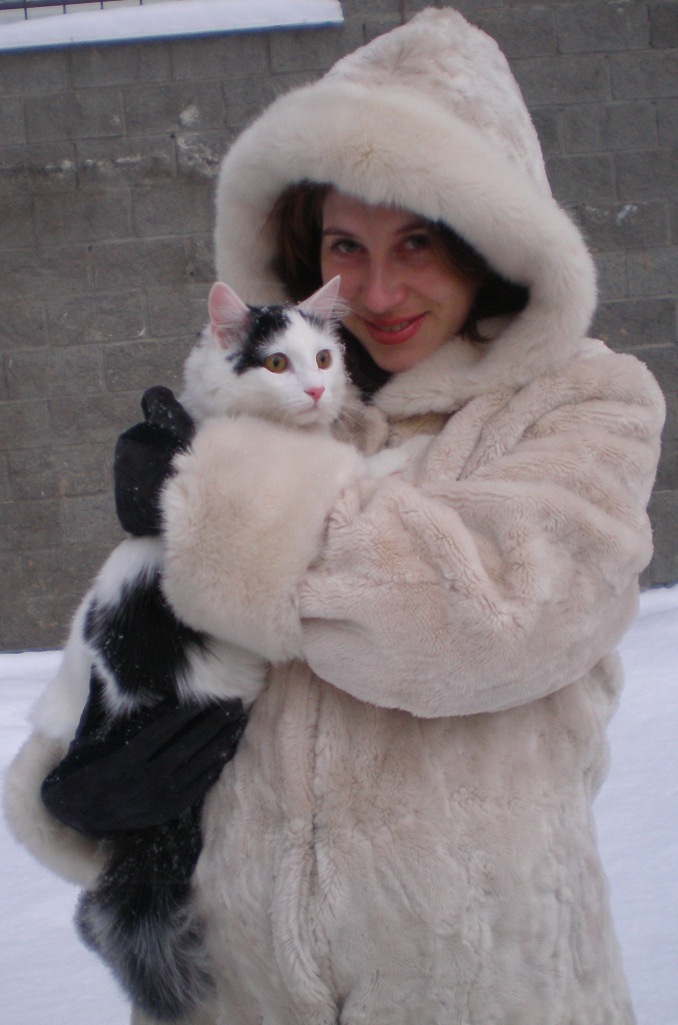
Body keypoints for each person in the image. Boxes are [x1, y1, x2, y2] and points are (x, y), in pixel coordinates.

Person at [4, 8, 665, 1024]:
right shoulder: (270, 405)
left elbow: (487, 613)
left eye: (419, 241)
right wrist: (78, 785)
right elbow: (134, 644)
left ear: (491, 244)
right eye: (346, 244)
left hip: (481, 987)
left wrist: (216, 501)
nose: (379, 288)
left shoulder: (581, 405)